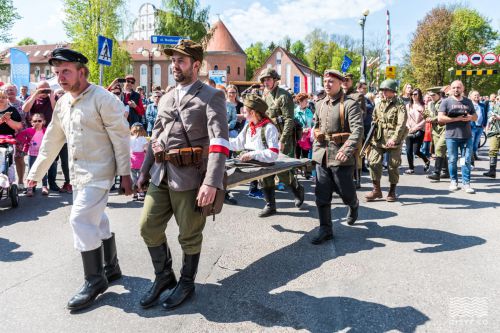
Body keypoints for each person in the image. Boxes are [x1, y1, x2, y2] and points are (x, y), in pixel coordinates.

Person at [26, 48, 132, 311]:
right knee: (98, 217)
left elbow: (121, 137)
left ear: (82, 72)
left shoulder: (103, 99)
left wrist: (126, 174)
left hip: (100, 172)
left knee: (80, 218)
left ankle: (95, 280)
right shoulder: (62, 103)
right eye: (57, 72)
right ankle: (111, 267)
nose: (60, 77)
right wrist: (34, 174)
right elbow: (52, 141)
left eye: (66, 71)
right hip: (78, 174)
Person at [136, 39, 229, 310]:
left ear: (196, 65)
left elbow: (220, 142)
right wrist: (143, 170)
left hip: (191, 176)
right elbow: (155, 135)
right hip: (161, 173)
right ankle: (164, 276)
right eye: (173, 60)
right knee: (148, 226)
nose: (175, 65)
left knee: (189, 234)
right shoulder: (166, 96)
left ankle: (186, 282)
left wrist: (212, 182)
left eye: (181, 61)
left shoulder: (211, 96)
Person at [311, 69, 363, 244]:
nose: (327, 84)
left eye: (331, 81)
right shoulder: (319, 104)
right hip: (322, 154)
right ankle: (326, 229)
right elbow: (317, 124)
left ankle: (354, 204)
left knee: (346, 192)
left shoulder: (350, 104)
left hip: (341, 156)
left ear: (340, 83)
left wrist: (347, 149)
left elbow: (358, 130)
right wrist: (314, 133)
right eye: (325, 81)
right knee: (321, 194)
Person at [259, 68, 304, 207]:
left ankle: (297, 188)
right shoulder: (266, 95)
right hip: (268, 138)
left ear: (275, 79)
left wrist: (283, 140)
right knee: (266, 170)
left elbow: (289, 120)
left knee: (282, 171)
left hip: (283, 138)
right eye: (264, 80)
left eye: (268, 79)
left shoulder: (284, 96)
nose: (266, 82)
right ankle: (270, 205)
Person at [229, 94, 280, 215]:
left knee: (273, 179)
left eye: (245, 112)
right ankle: (270, 205)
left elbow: (273, 153)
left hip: (265, 162)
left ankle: (294, 190)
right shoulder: (248, 126)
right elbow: (237, 144)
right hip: (251, 161)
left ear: (253, 112)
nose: (242, 114)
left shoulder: (269, 128)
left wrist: (253, 154)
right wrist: (220, 141)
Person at [365, 79, 407, 202]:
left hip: (393, 138)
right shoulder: (379, 104)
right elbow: (374, 118)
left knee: (393, 165)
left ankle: (392, 191)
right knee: (373, 162)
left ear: (393, 91)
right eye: (383, 90)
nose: (384, 93)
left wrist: (394, 139)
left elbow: (402, 124)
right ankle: (376, 190)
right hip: (378, 138)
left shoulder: (400, 105)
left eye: (387, 90)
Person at [437, 80, 477, 193]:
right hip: (452, 137)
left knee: (465, 160)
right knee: (453, 160)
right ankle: (454, 181)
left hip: (466, 136)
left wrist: (470, 117)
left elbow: (475, 116)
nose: (456, 89)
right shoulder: (446, 102)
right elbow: (440, 118)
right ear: (450, 89)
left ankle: (466, 183)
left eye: (458, 87)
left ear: (462, 89)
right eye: (454, 87)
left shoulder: (468, 102)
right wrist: (456, 119)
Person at [16, 113, 52, 196]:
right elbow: (19, 136)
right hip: (32, 154)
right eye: (35, 121)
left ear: (44, 122)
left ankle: (44, 186)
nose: (37, 122)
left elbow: (51, 140)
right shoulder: (29, 130)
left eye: (39, 121)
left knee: (43, 170)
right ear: (31, 122)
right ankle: (30, 187)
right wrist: (26, 142)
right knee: (31, 170)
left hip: (42, 154)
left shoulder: (46, 130)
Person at [342, 73, 366, 188]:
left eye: (347, 80)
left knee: (356, 156)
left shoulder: (358, 96)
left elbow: (361, 114)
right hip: (341, 131)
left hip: (354, 130)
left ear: (352, 82)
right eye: (343, 80)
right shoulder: (339, 94)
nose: (345, 82)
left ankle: (357, 179)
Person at [5, 84, 27, 191]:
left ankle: (21, 182)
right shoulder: (2, 104)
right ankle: (6, 183)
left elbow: (29, 119)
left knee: (19, 159)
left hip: (20, 137)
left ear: (16, 91)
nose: (10, 92)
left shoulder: (22, 104)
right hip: (5, 136)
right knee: (4, 159)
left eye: (12, 90)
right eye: (8, 90)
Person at [426, 86, 450, 181]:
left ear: (439, 94)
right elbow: (428, 114)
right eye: (430, 95)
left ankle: (436, 172)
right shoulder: (431, 104)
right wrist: (425, 115)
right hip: (435, 130)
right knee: (439, 151)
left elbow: (443, 116)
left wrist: (432, 119)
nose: (431, 97)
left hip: (444, 128)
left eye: (433, 95)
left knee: (440, 148)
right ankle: (445, 171)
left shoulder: (444, 103)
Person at [404, 88, 430, 174]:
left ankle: (426, 161)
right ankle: (411, 168)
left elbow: (426, 119)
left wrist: (416, 127)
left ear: (419, 95)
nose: (414, 96)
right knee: (408, 150)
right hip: (409, 130)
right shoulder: (408, 106)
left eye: (416, 94)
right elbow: (406, 118)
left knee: (416, 151)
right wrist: (408, 127)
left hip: (419, 130)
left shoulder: (424, 106)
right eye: (412, 94)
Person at [294, 93, 314, 178]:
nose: (307, 102)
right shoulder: (295, 112)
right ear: (300, 102)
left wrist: (310, 129)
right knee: (297, 154)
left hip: (307, 137)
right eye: (306, 101)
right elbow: (293, 124)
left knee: (306, 154)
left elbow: (312, 123)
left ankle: (307, 172)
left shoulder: (309, 111)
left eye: (307, 100)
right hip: (298, 136)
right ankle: (296, 170)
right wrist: (302, 129)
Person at [130, 122, 148, 201]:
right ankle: (141, 193)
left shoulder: (129, 139)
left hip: (132, 161)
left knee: (133, 178)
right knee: (141, 177)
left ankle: (134, 194)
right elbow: (146, 149)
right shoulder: (143, 139)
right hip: (141, 161)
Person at [483, 95, 500, 178]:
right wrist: (491, 119)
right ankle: (492, 171)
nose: (498, 100)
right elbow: (489, 116)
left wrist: (498, 117)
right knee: (492, 150)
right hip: (494, 132)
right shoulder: (494, 106)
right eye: (497, 98)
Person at [469, 90, 487, 162]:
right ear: (471, 97)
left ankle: (475, 155)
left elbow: (485, 115)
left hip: (480, 127)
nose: (477, 96)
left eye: (478, 95)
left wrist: (484, 124)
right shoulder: (469, 105)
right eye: (475, 95)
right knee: (471, 142)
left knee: (476, 142)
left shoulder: (482, 105)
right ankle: (470, 157)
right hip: (472, 127)